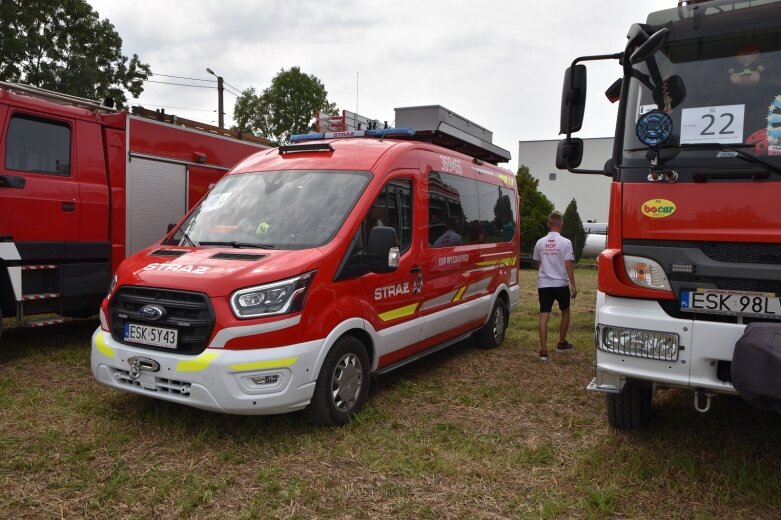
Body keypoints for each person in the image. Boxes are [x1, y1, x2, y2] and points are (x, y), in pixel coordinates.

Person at [533, 211, 577, 361]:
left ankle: (543, 350)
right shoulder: (566, 242)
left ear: (548, 224)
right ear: (561, 224)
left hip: (544, 284)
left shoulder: (540, 242)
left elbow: (538, 263)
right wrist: (573, 285)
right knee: (565, 311)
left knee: (544, 315)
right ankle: (561, 343)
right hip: (561, 284)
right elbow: (568, 264)